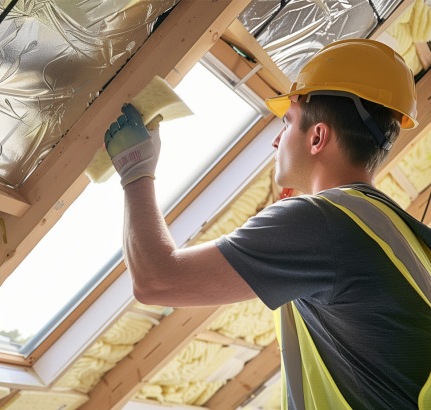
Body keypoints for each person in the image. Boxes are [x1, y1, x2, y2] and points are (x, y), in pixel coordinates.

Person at [104, 39, 431, 409]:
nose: (276, 140)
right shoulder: (393, 229)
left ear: (318, 137)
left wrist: (135, 172)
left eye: (287, 122)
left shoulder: (321, 222)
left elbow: (155, 280)